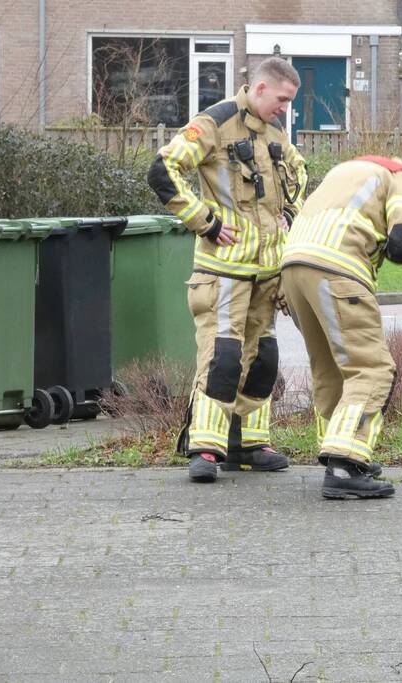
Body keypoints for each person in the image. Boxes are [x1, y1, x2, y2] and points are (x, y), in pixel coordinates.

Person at [147, 57, 308, 483]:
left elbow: (299, 173)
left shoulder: (274, 132)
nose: (285, 109)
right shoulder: (215, 123)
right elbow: (164, 168)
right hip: (223, 274)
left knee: (263, 360)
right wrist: (205, 221)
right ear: (258, 89)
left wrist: (291, 211)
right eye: (281, 99)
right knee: (223, 358)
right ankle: (206, 449)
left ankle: (250, 444)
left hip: (266, 274)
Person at [279, 154, 402, 499]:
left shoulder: (346, 170)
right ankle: (345, 462)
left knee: (332, 370)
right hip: (338, 270)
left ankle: (338, 454)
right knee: (372, 369)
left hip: (293, 268)